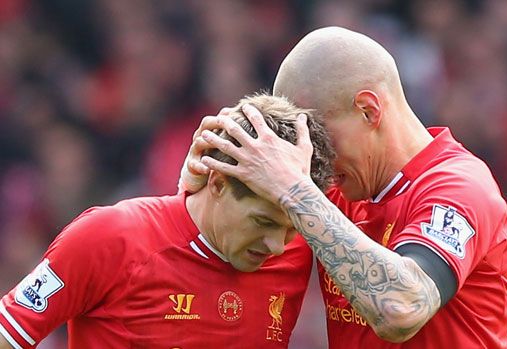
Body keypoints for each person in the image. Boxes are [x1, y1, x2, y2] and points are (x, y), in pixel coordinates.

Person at [181, 26, 507, 348]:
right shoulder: (333, 190)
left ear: (368, 110)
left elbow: (401, 308)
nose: (311, 155)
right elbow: (229, 249)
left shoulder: (460, 187)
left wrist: (294, 189)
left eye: (318, 136)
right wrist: (198, 197)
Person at [0, 93, 335, 349]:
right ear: (217, 183)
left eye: (292, 227)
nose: (277, 245)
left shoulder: (300, 248)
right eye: (262, 222)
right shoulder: (110, 237)